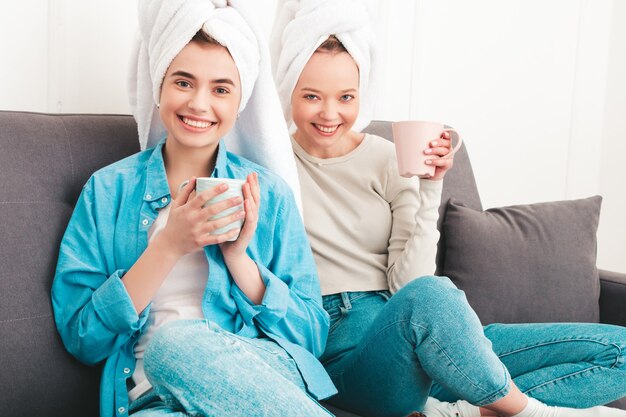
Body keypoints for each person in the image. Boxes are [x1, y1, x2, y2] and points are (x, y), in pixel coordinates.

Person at [270, 1, 626, 417]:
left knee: (619, 350)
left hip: (425, 329)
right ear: (288, 88)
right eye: (312, 96)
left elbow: (409, 283)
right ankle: (529, 412)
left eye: (345, 97)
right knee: (432, 295)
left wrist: (429, 186)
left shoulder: (388, 158)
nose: (330, 114)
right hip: (350, 358)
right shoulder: (272, 159)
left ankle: (465, 411)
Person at [51, 1, 337, 416]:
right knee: (171, 348)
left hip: (258, 379)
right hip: (154, 398)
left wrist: (240, 260)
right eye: (183, 82)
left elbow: (311, 336)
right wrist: (168, 245)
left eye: (221, 89)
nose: (200, 104)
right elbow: (83, 338)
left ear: (240, 101)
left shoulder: (269, 195)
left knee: (178, 342)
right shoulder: (107, 191)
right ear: (159, 85)